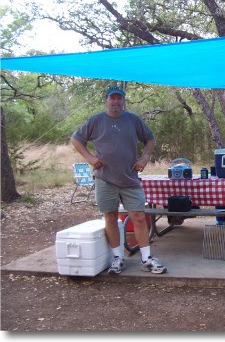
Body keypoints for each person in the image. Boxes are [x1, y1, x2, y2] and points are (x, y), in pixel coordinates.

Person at [70, 85, 167, 274]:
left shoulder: (133, 120)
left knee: (138, 216)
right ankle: (117, 257)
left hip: (130, 178)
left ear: (123, 101)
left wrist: (145, 158)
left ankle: (146, 258)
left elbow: (150, 139)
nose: (116, 102)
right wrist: (90, 158)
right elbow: (76, 139)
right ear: (106, 101)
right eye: (112, 98)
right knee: (111, 217)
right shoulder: (96, 120)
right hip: (104, 178)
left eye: (119, 98)